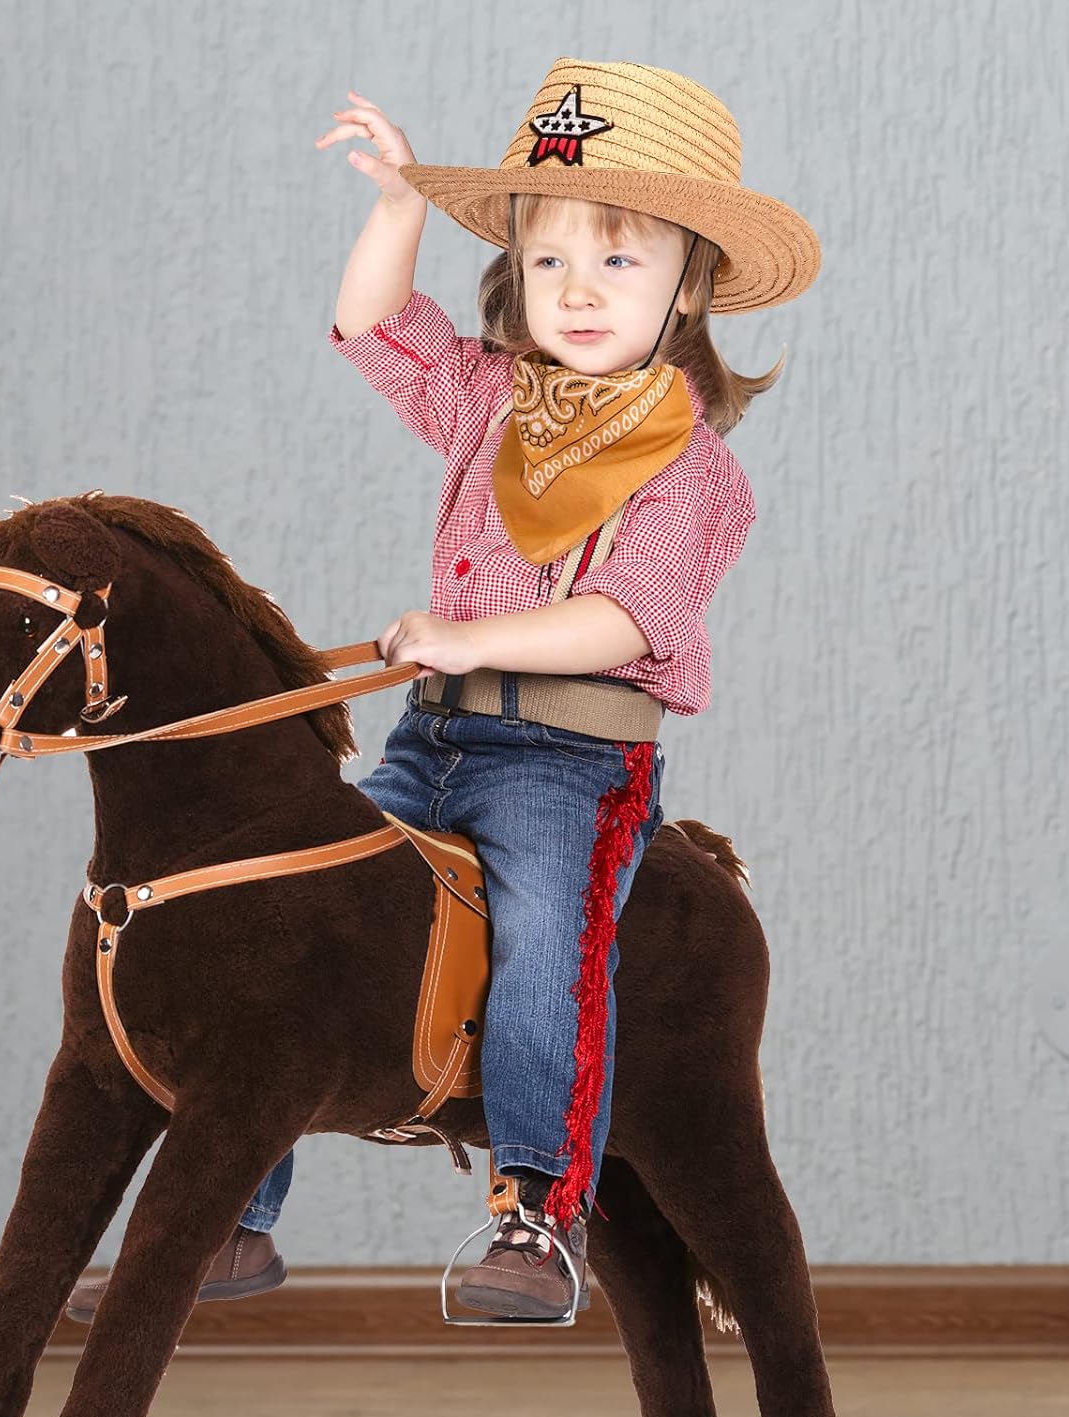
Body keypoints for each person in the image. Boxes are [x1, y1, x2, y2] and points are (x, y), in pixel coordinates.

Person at [69, 57, 820, 1323]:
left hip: (572, 764)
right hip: (437, 740)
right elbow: (377, 327)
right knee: (295, 909)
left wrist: (469, 638)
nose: (577, 290)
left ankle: (537, 1212)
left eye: (619, 260)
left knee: (542, 947)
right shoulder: (491, 403)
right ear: (514, 271)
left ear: (690, 284)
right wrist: (399, 209)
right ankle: (234, 1216)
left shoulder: (691, 471)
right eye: (548, 259)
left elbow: (627, 616)